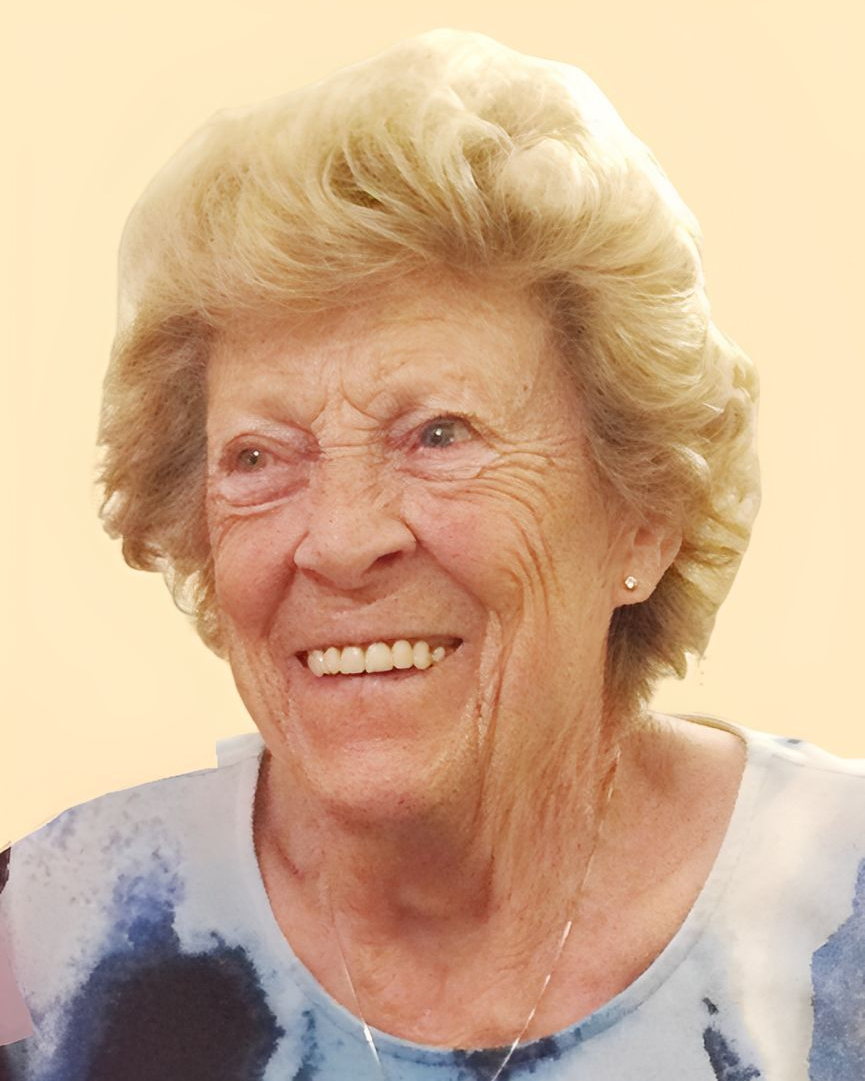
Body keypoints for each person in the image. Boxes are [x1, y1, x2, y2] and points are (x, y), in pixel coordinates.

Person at [1, 28, 863, 1081]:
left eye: (439, 435)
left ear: (643, 515)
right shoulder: (45, 932)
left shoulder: (843, 908)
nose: (342, 539)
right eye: (259, 456)